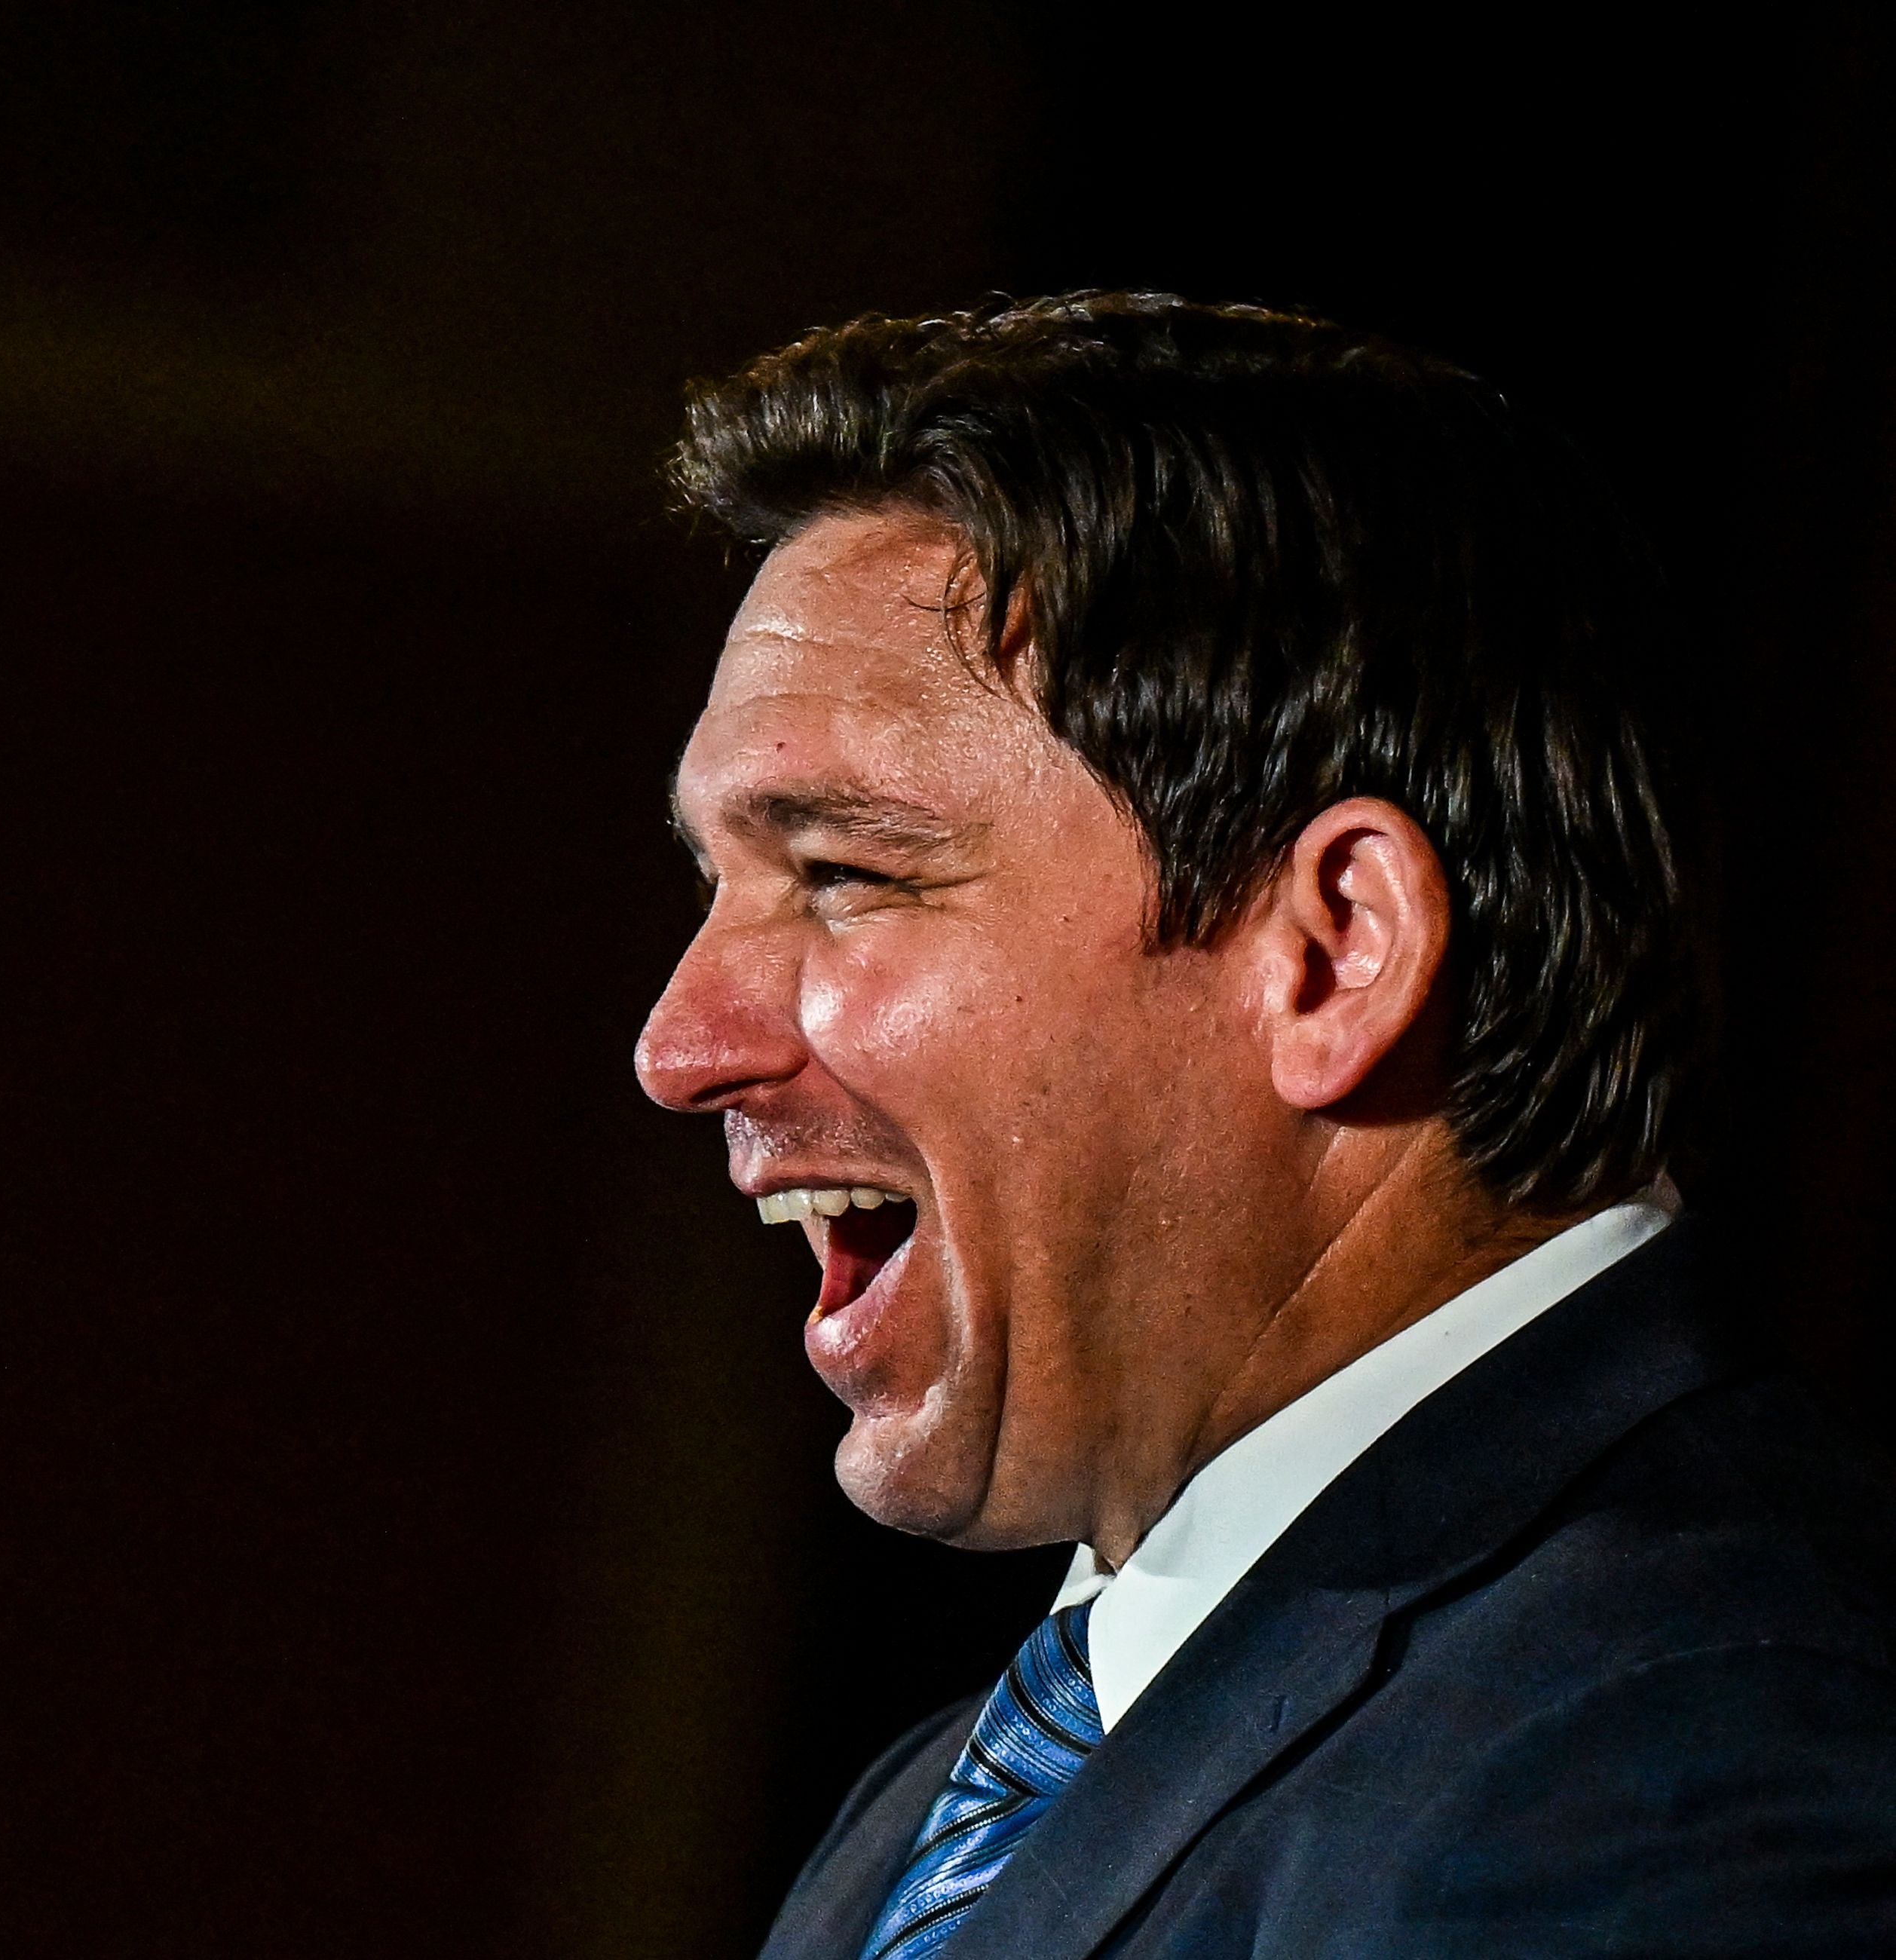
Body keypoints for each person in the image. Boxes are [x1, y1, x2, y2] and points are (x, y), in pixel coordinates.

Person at [633, 292, 1896, 1958]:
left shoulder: (1691, 1747)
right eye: (717, 883)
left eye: (847, 876)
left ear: (1332, 953)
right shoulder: (942, 1807)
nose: (679, 1044)